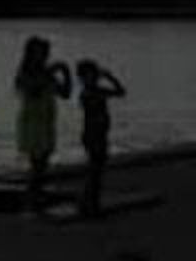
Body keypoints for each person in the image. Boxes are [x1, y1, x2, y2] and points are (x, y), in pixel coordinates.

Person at [14, 36, 72, 212]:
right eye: (39, 53)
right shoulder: (25, 73)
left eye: (45, 53)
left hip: (46, 123)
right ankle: (32, 199)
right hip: (32, 123)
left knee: (43, 163)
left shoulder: (48, 75)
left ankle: (36, 196)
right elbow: (33, 90)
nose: (43, 56)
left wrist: (66, 73)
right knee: (37, 163)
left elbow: (65, 94)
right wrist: (50, 71)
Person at [75, 59, 127, 218]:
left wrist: (110, 78)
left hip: (100, 133)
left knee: (98, 170)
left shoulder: (97, 91)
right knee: (94, 169)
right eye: (89, 75)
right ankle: (88, 203)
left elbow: (120, 92)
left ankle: (91, 203)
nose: (93, 78)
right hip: (92, 134)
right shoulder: (87, 94)